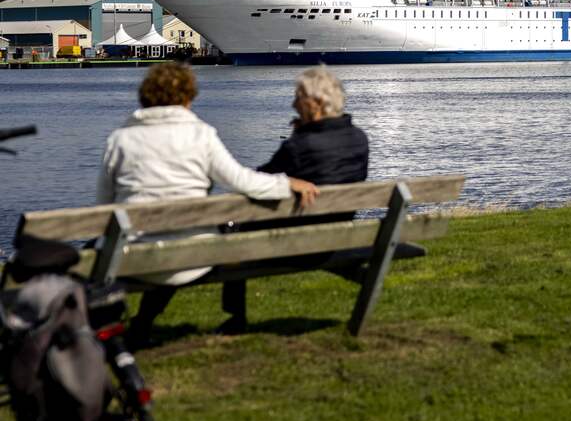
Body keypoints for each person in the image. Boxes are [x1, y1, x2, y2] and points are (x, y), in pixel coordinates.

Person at [98, 62, 319, 346]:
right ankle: (235, 319)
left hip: (134, 258)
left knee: (155, 243)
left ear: (145, 97)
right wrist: (285, 182)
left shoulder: (119, 140)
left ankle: (132, 327)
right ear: (189, 98)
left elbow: (103, 206)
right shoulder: (201, 135)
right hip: (194, 257)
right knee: (227, 240)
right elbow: (242, 181)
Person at [219, 65, 369, 333]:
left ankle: (235, 318)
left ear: (317, 103)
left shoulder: (299, 147)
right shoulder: (359, 139)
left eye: (299, 97)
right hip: (339, 237)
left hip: (299, 244)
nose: (293, 103)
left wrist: (298, 138)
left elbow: (256, 182)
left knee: (234, 229)